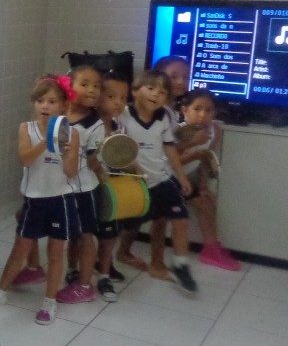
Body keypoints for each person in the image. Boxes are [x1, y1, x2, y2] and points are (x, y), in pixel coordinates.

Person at [0, 76, 81, 325]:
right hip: (34, 199)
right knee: (21, 246)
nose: (45, 106)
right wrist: (48, 142)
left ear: (64, 105)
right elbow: (24, 159)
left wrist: (67, 152)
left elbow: (70, 172)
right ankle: (0, 291)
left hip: (61, 199)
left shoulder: (73, 134)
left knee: (56, 252)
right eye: (40, 101)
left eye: (52, 101)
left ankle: (50, 301)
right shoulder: (26, 128)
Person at [116, 70, 198, 291]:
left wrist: (181, 177)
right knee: (131, 224)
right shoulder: (122, 114)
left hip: (161, 179)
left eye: (162, 92)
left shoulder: (164, 117)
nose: (156, 95)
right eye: (150, 88)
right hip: (135, 183)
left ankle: (181, 264)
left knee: (180, 218)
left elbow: (170, 148)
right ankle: (117, 255)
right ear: (135, 91)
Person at [57, 66, 105, 305]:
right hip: (59, 187)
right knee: (71, 235)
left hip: (84, 189)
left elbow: (95, 160)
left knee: (86, 236)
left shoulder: (95, 125)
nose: (92, 90)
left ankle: (85, 285)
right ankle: (70, 271)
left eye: (97, 86)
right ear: (69, 85)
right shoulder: (57, 113)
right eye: (85, 84)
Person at [178, 89, 239, 270]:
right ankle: (210, 250)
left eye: (209, 110)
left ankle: (212, 246)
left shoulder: (214, 130)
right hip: (171, 179)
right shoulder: (179, 133)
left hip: (191, 179)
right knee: (203, 203)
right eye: (197, 109)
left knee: (208, 199)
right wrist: (195, 151)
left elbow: (206, 158)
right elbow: (171, 163)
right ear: (185, 111)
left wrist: (203, 185)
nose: (203, 115)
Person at [93, 74, 132, 301]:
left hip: (111, 186)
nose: (118, 102)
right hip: (90, 185)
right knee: (85, 234)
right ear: (98, 98)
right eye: (111, 96)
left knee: (110, 232)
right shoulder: (90, 123)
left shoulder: (119, 124)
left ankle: (104, 272)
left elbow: (122, 153)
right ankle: (75, 270)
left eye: (123, 98)